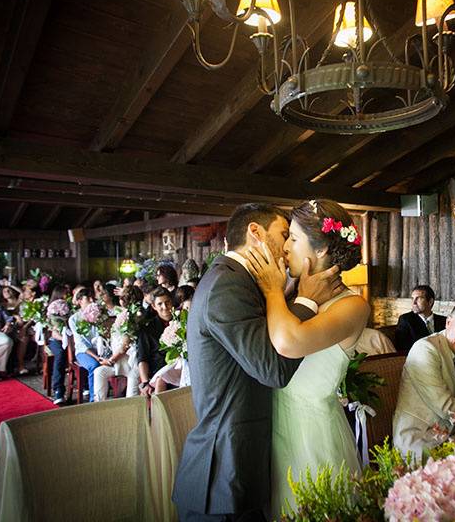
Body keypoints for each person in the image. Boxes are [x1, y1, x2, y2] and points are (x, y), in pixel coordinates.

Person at [172, 202, 342, 522]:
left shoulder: (241, 281)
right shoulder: (228, 284)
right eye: (283, 234)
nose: (288, 246)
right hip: (223, 474)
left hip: (242, 468)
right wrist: (308, 299)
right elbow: (273, 369)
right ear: (256, 233)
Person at [244, 198, 370, 517]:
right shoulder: (294, 295)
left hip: (311, 436)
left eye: (294, 239)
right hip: (274, 428)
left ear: (322, 250)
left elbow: (288, 343)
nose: (285, 247)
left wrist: (273, 290)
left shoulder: (352, 307)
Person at [392, 301, 455, 461]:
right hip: (420, 440)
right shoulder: (425, 349)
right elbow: (446, 407)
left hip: (454, 435)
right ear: (449, 322)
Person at [93, 286, 143, 401]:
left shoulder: (135, 316)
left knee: (131, 394)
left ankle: (131, 413)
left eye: (122, 297)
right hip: (120, 360)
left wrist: (110, 361)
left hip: (132, 361)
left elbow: (124, 347)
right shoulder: (124, 313)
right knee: (99, 372)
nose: (120, 299)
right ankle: (98, 406)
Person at [68, 287, 106, 402]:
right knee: (94, 366)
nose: (91, 300)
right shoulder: (74, 319)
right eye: (88, 299)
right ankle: (93, 400)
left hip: (101, 349)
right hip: (84, 352)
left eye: (92, 298)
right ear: (80, 301)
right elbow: (81, 343)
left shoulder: (99, 315)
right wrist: (96, 357)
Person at [134, 286, 172, 396]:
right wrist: (145, 383)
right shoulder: (147, 328)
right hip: (159, 372)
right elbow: (142, 358)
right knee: (161, 381)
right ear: (154, 306)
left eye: (167, 302)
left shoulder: (182, 322)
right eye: (160, 304)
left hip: (182, 368)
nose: (165, 307)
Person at [394, 285, 446, 352]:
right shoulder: (406, 320)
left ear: (430, 302)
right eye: (412, 298)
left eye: (418, 298)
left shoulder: (444, 321)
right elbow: (402, 349)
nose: (414, 303)